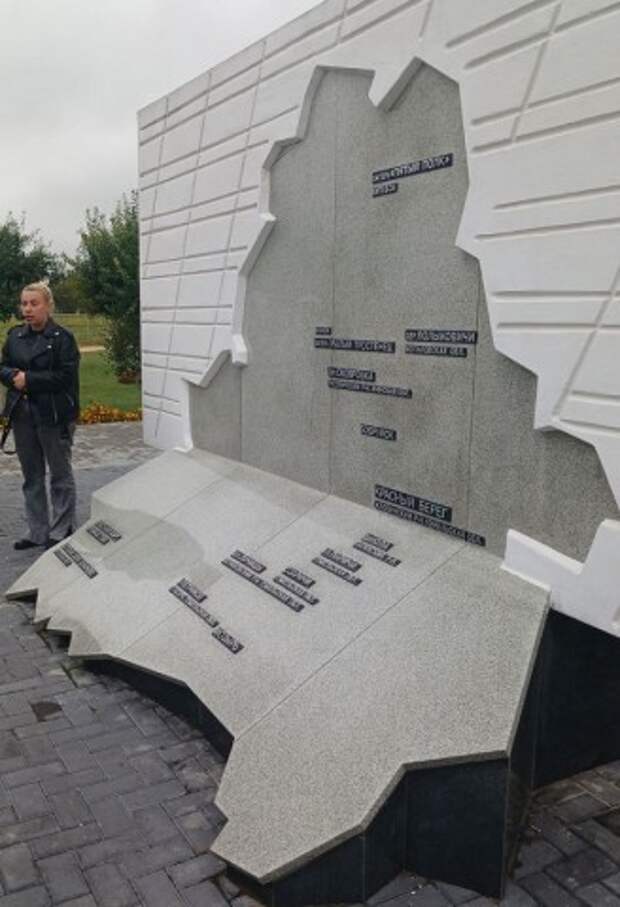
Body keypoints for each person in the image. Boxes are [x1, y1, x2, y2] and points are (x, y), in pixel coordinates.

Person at [0, 281, 80, 549]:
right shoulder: (15, 336)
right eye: (24, 303)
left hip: (54, 415)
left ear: (48, 306)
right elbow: (3, 366)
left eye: (34, 303)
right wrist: (12, 375)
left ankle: (62, 529)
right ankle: (37, 531)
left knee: (60, 475)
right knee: (31, 476)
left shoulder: (63, 338)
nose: (28, 309)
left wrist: (29, 380)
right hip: (22, 414)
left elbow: (65, 377)